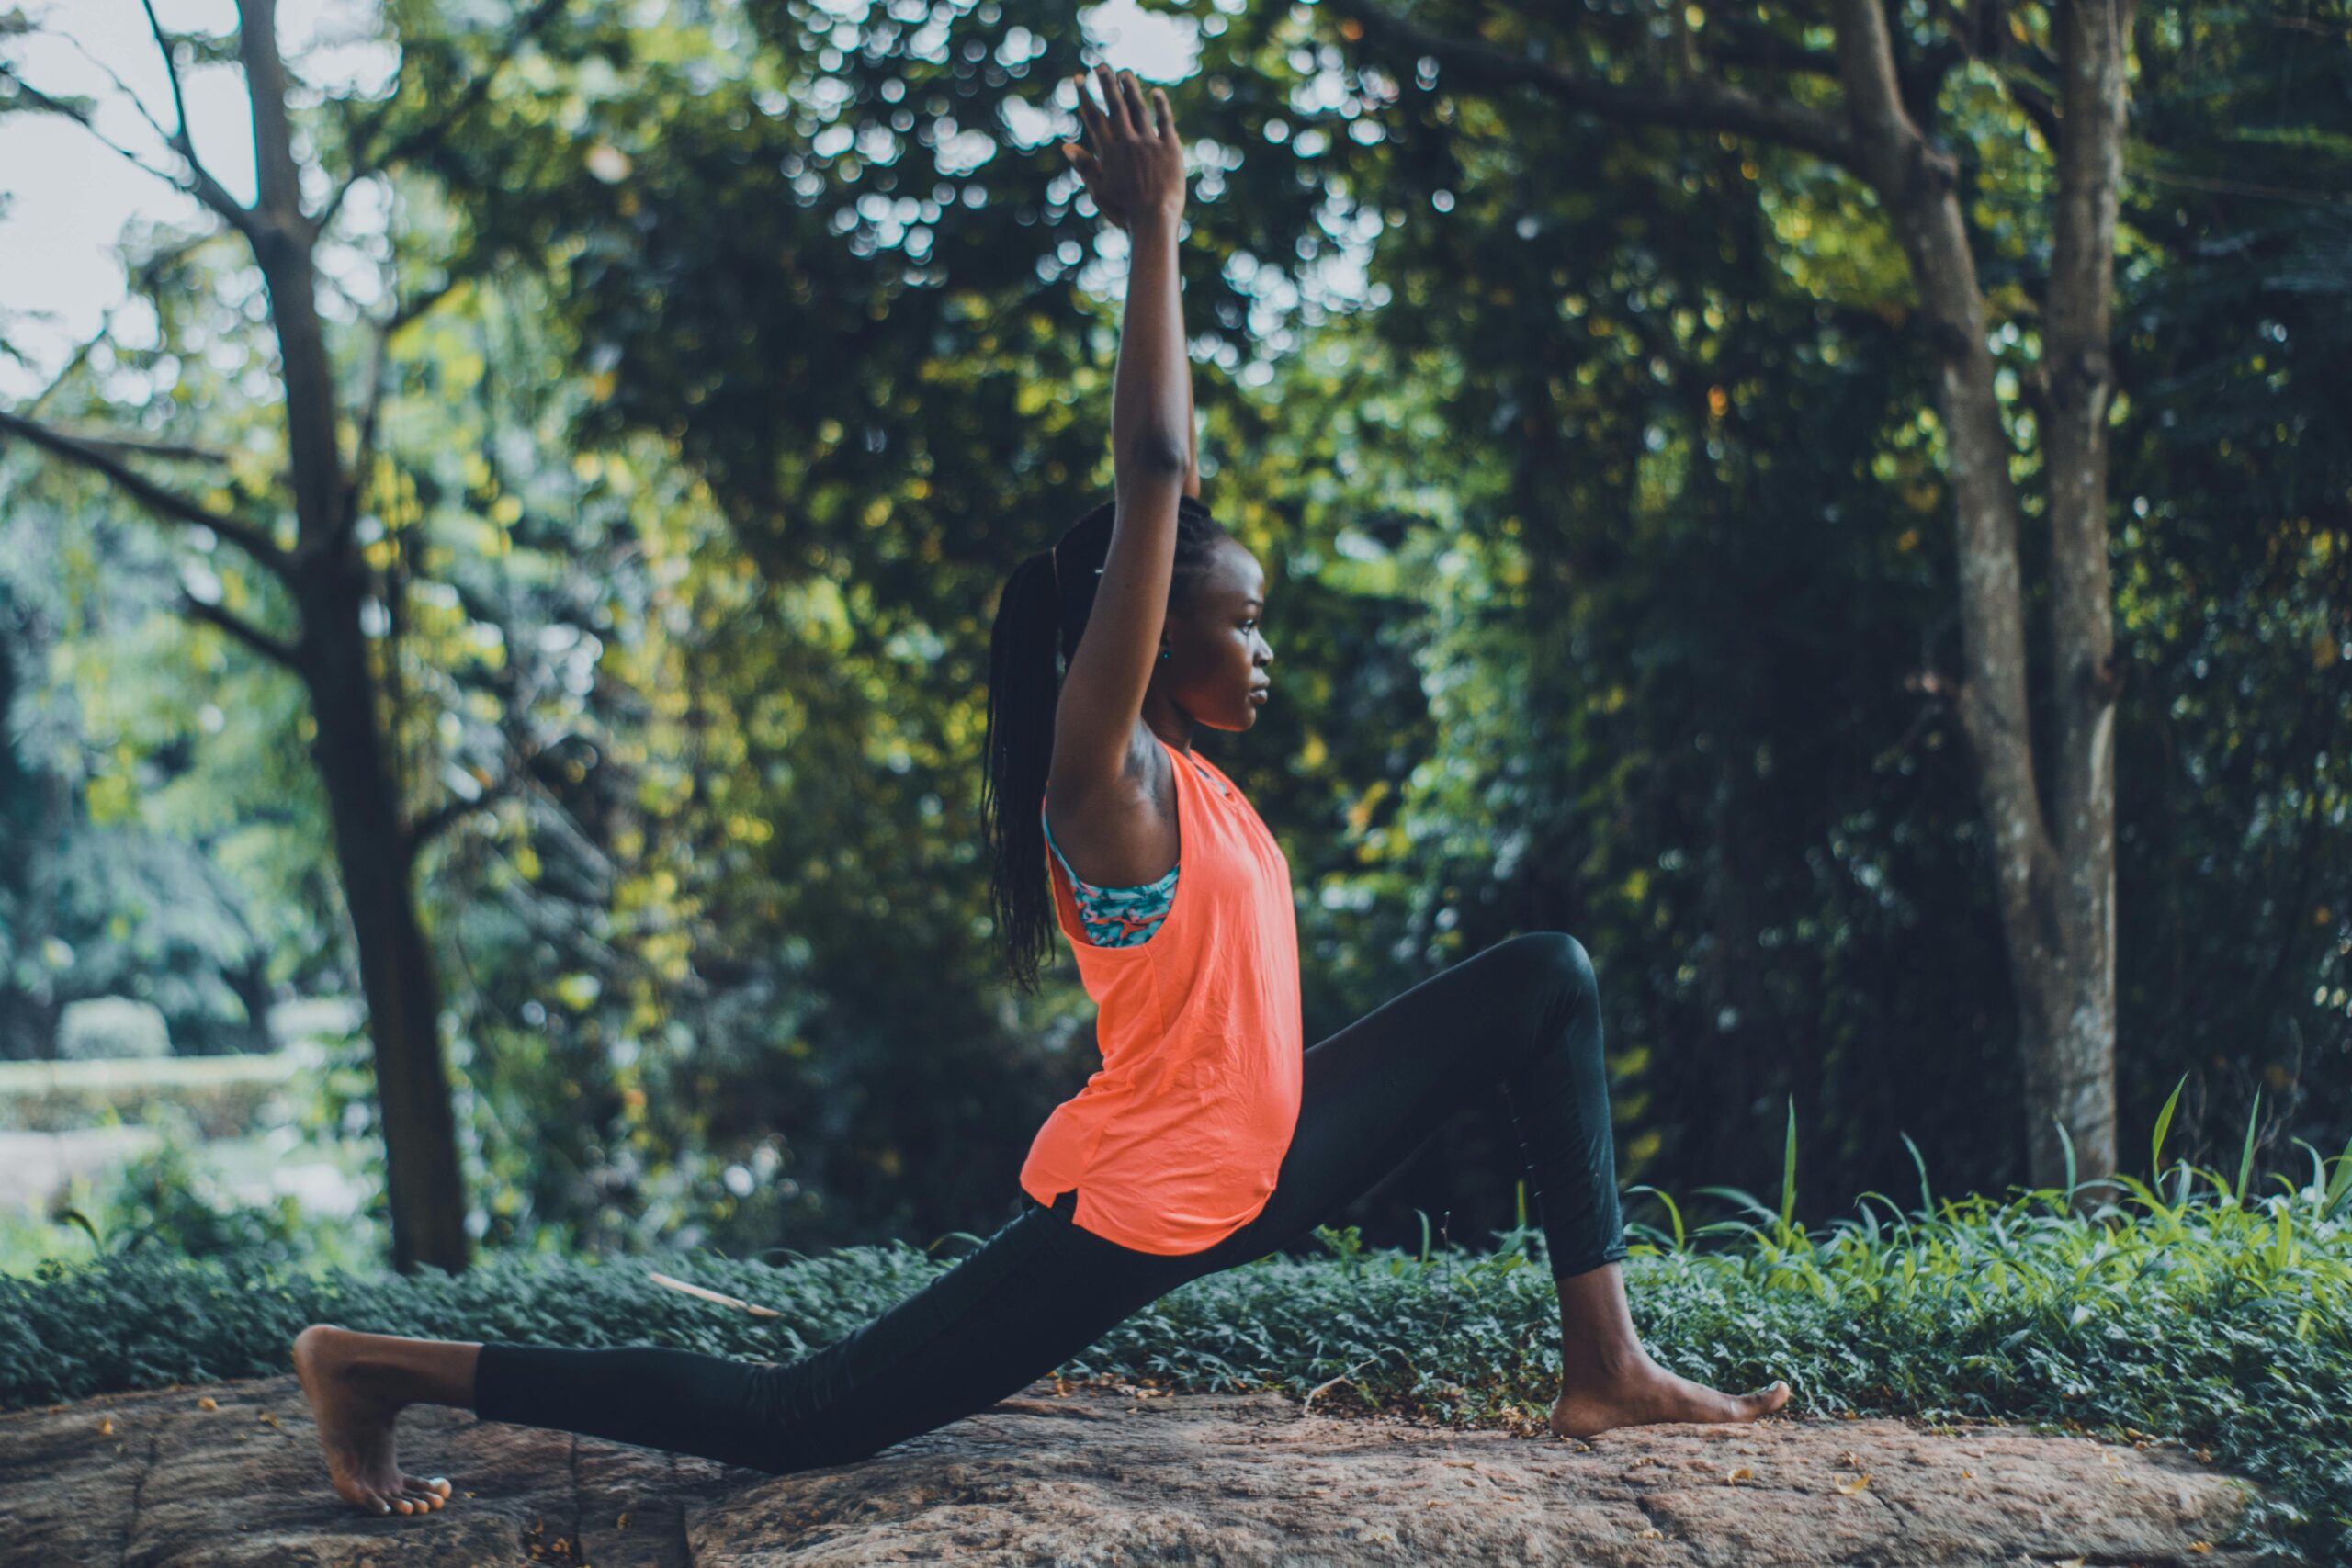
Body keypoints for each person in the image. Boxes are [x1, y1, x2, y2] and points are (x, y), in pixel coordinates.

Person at [288, 63, 1786, 1519]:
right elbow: (1152, 467)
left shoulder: (1192, 777)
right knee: (796, 1420)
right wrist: (1157, 236)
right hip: (1152, 1202)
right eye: (1241, 619)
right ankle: (373, 1367)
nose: (1264, 648)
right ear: (1146, 634)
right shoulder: (1109, 775)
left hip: (1266, 1153)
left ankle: (1608, 1363)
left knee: (1544, 981)